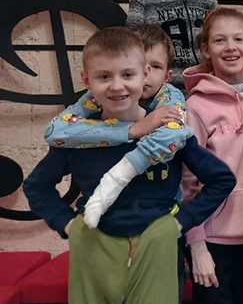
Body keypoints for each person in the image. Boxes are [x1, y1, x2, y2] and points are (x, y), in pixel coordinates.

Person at [24, 27, 236, 304]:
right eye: (104, 76)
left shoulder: (167, 132)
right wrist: (66, 224)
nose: (117, 86)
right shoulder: (76, 138)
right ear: (86, 80)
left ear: (144, 75)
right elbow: (37, 186)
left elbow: (222, 179)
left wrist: (179, 223)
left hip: (156, 241)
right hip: (93, 242)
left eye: (127, 74)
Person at [43, 24, 191, 228]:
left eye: (155, 66)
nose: (146, 76)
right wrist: (131, 130)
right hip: (107, 224)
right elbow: (55, 130)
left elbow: (172, 136)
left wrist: (119, 176)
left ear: (166, 75)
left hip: (161, 216)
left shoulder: (170, 96)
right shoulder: (98, 97)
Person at [182, 8, 243, 304]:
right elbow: (188, 182)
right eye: (220, 40)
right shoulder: (196, 107)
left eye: (238, 39)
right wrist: (196, 244)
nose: (230, 47)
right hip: (213, 239)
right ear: (206, 49)